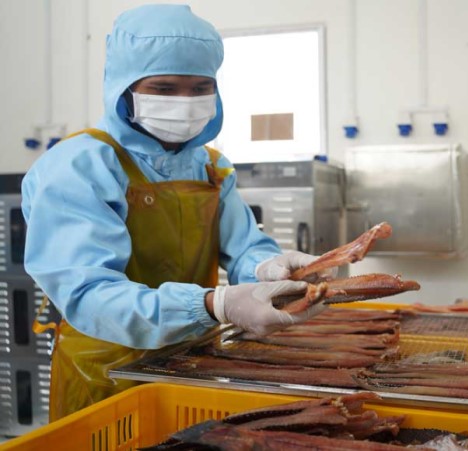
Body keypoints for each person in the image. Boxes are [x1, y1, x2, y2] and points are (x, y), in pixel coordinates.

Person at [21, 4, 330, 421]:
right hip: (105, 372)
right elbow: (88, 294)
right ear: (123, 87)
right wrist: (212, 304)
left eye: (201, 87)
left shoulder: (210, 166)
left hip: (193, 361)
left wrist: (267, 267)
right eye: (164, 88)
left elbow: (243, 247)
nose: (185, 102)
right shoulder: (79, 167)